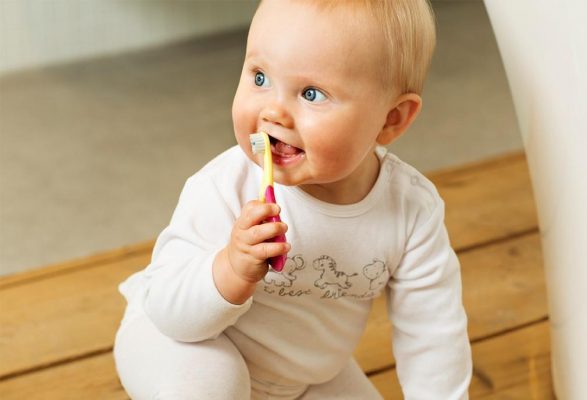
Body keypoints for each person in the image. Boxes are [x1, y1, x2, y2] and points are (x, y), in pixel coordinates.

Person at [113, 0, 472, 398]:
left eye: (312, 93)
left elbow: (434, 336)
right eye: (260, 77)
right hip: (178, 341)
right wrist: (231, 270)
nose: (274, 113)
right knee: (213, 385)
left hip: (302, 376)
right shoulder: (225, 186)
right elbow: (170, 311)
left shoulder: (411, 212)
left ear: (391, 119)